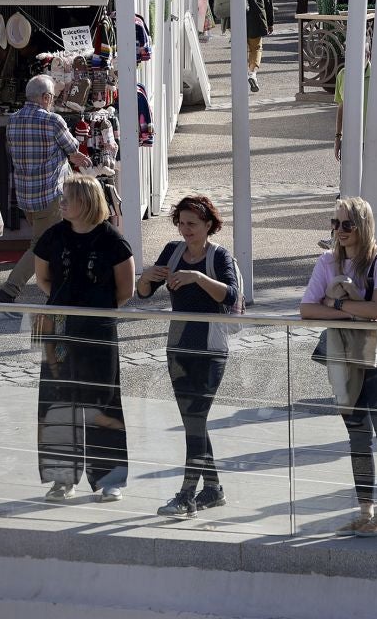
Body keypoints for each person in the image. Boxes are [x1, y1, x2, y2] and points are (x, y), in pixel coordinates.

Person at [300, 197, 377, 535]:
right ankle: (365, 510)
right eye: (335, 224)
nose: (339, 231)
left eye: (346, 224)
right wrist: (350, 309)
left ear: (363, 226)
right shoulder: (327, 261)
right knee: (357, 434)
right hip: (343, 352)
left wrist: (335, 301)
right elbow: (307, 309)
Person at [138, 195, 241, 518]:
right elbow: (142, 294)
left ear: (209, 225)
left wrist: (197, 277)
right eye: (181, 223)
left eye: (192, 224)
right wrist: (147, 277)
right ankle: (212, 489)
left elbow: (230, 295)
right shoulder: (173, 250)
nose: (185, 229)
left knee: (195, 421)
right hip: (178, 346)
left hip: (211, 349)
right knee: (192, 423)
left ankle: (186, 495)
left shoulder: (219, 256)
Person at [34, 173, 133, 501]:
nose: (61, 202)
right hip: (60, 332)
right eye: (62, 197)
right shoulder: (52, 236)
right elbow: (43, 279)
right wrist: (65, 309)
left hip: (98, 333)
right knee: (59, 400)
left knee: (101, 401)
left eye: (68, 197)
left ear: (87, 202)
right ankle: (62, 478)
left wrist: (94, 313)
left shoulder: (112, 241)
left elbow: (126, 291)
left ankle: (109, 479)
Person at [1, 74, 94, 303]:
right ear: (45, 97)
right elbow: (72, 147)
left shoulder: (12, 120)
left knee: (59, 241)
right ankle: (10, 290)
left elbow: (11, 152)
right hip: (50, 196)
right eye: (52, 97)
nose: (52, 101)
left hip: (25, 197)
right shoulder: (52, 121)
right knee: (41, 245)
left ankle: (64, 287)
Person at [242, 0, 273, 94]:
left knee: (240, 47)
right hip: (256, 16)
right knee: (256, 47)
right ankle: (252, 73)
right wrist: (270, 22)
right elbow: (268, 0)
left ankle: (241, 74)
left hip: (238, 16)